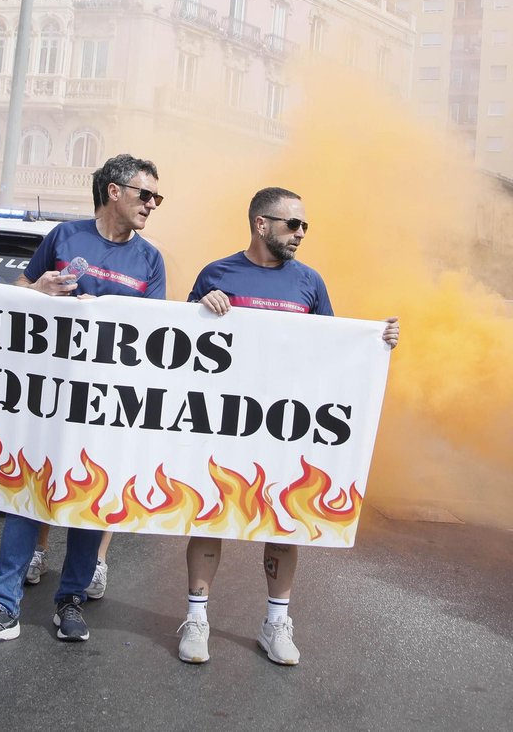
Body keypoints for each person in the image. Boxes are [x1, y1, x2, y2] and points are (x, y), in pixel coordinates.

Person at [178, 187, 400, 666]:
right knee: (208, 513)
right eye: (291, 225)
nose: (300, 234)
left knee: (284, 518)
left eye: (305, 227)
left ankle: (276, 621)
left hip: (287, 426)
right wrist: (202, 305)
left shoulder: (310, 282)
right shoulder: (217, 273)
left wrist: (376, 340)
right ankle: (197, 618)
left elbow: (333, 347)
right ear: (261, 224)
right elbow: (179, 346)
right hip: (223, 421)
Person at [0, 153, 166, 649]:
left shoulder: (150, 259)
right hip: (45, 395)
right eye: (146, 194)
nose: (152, 205)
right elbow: (22, 292)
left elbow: (159, 336)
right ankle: (2, 607)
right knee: (27, 493)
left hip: (106, 404)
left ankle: (69, 599)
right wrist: (41, 288)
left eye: (157, 197)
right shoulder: (64, 238)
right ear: (115, 191)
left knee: (90, 500)